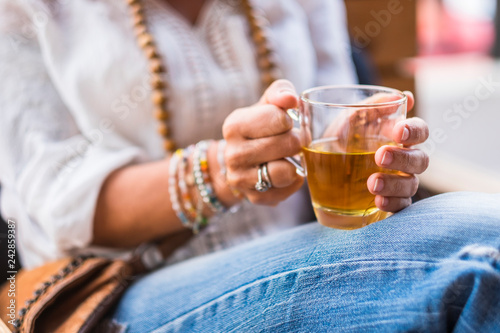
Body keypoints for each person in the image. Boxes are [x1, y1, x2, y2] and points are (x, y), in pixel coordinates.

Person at [0, 0, 498, 332]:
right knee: (478, 247)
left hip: (307, 254)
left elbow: (338, 126)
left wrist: (381, 160)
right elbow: (54, 201)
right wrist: (222, 173)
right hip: (123, 290)